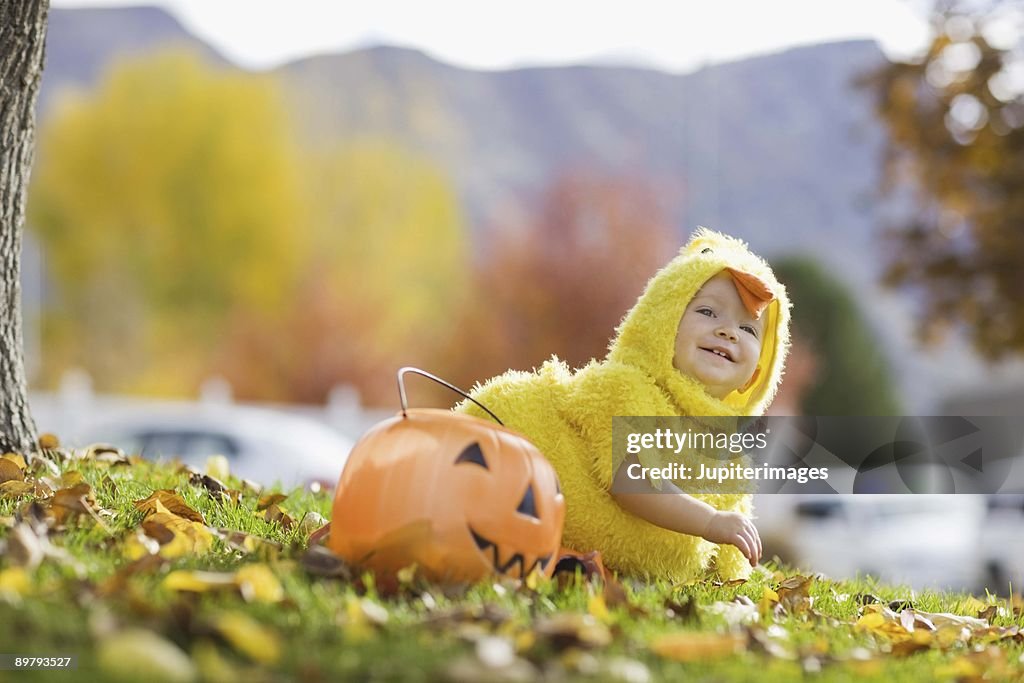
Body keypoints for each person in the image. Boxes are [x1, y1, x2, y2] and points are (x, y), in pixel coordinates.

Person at [456, 228, 790, 581]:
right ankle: (545, 551)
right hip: (527, 461)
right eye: (708, 312)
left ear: (758, 371)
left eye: (749, 329)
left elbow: (728, 545)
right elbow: (632, 480)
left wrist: (735, 562)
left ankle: (575, 566)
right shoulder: (628, 389)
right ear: (662, 325)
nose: (728, 331)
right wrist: (709, 521)